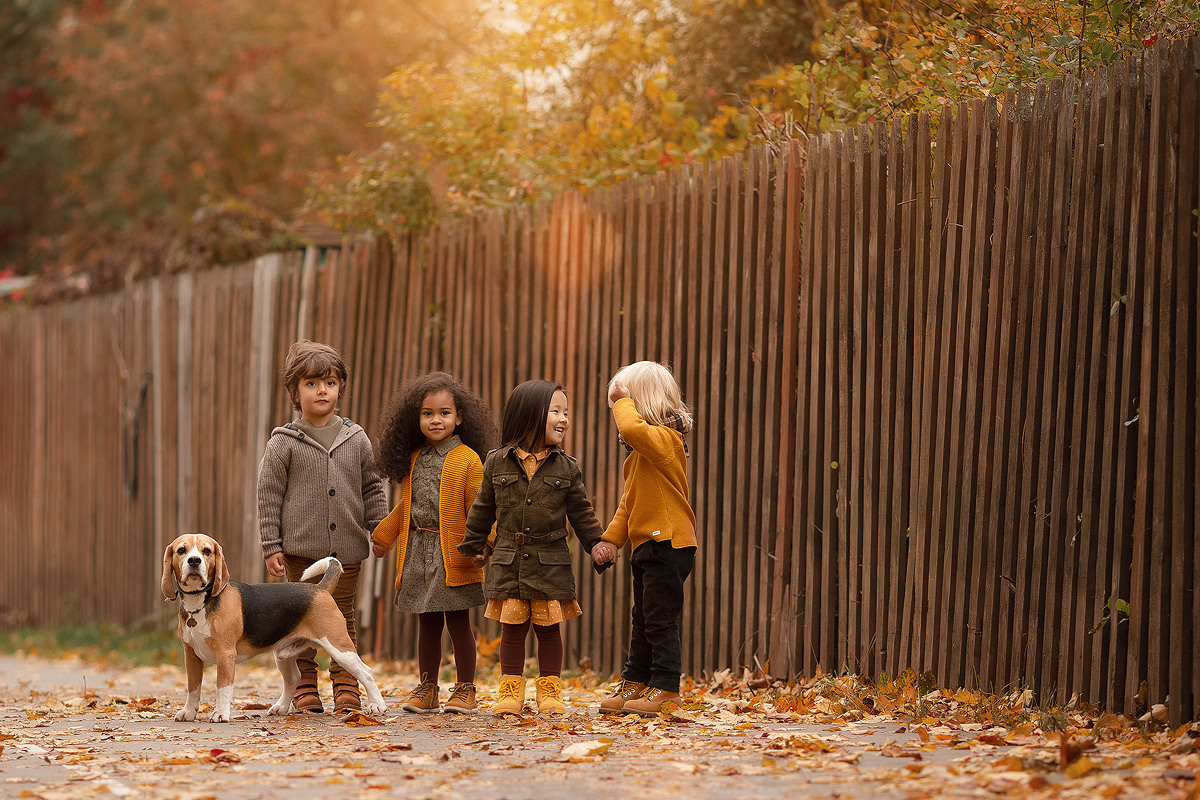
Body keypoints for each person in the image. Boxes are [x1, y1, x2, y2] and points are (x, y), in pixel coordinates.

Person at [458, 380, 609, 715]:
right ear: (530, 415)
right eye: (556, 411)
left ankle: (550, 691)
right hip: (509, 560)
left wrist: (597, 543)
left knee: (548, 630)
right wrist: (475, 544)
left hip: (550, 562)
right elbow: (483, 508)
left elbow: (581, 512)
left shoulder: (567, 467)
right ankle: (510, 691)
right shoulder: (496, 462)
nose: (564, 418)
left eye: (566, 412)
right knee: (512, 631)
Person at [256, 339, 388, 714]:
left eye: (330, 383)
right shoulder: (283, 442)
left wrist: (379, 528)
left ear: (340, 387)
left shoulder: (356, 438)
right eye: (311, 383)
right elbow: (268, 495)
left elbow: (372, 487)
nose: (322, 391)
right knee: (298, 618)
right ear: (295, 391)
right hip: (300, 552)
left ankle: (347, 685)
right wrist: (271, 545)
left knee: (341, 617)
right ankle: (304, 687)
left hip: (346, 551)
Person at [370, 372, 496, 715]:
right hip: (418, 552)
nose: (436, 420)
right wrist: (384, 536)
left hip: (454, 553)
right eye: (427, 413)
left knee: (458, 622)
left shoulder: (468, 459)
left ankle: (466, 689)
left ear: (460, 417)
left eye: (444, 413)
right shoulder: (414, 459)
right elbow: (406, 506)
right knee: (426, 622)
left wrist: (485, 543)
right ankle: (428, 688)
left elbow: (481, 506)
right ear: (417, 418)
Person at [591, 361, 697, 716]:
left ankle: (666, 688)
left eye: (626, 404)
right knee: (643, 619)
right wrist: (611, 540)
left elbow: (632, 429)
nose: (619, 416)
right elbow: (629, 502)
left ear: (642, 404)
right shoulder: (641, 455)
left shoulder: (667, 441)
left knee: (660, 619)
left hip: (669, 543)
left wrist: (622, 401)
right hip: (648, 545)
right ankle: (636, 681)